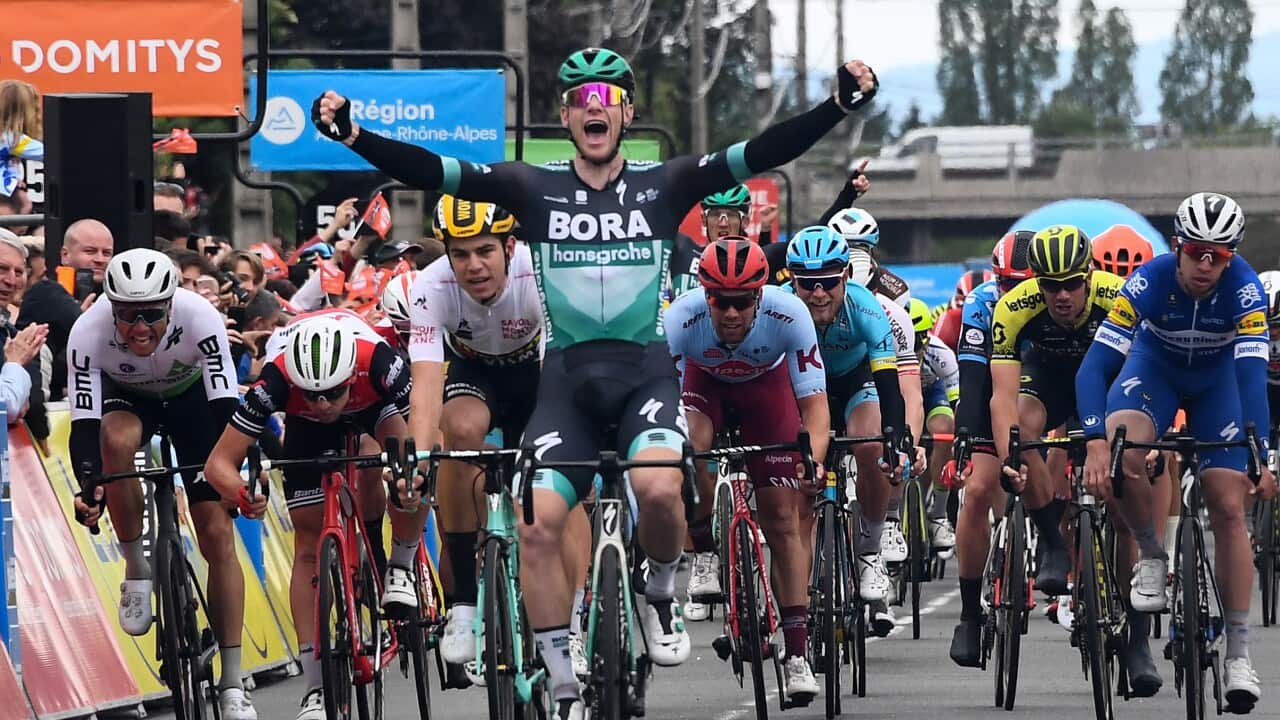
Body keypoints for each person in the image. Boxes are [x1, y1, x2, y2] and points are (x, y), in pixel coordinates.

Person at [314, 45, 880, 719]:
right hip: (567, 383)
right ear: (565, 115)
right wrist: (353, 134)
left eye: (607, 98)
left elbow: (759, 152)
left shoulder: (665, 184)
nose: (594, 108)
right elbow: (436, 170)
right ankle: (558, 671)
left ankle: (660, 593)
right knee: (537, 524)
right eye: (581, 99)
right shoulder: (532, 189)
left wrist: (838, 106)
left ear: (626, 113)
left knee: (661, 488)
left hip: (644, 374)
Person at [1077, 192, 1277, 710]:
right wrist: (1096, 439)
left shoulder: (1246, 289)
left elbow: (1253, 378)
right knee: (1125, 442)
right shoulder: (1147, 281)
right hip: (1156, 371)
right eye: (1196, 251)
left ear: (1232, 256)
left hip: (1219, 385)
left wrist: (1261, 453)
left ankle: (1238, 652)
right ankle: (1150, 554)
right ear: (1177, 246)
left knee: (1229, 507)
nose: (1206, 264)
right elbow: (1094, 368)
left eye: (1220, 255)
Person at [67, 249, 255, 719]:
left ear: (172, 303)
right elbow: (84, 427)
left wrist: (237, 475)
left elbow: (224, 410)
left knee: (216, 533)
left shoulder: (201, 317)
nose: (139, 327)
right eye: (127, 315)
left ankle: (232, 682)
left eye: (151, 314)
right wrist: (89, 487)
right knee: (115, 438)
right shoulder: (87, 333)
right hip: (128, 399)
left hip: (194, 402)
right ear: (110, 307)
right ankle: (137, 568)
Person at [203, 310, 416, 720]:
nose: (322, 404)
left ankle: (401, 564)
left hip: (373, 405)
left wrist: (410, 475)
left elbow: (426, 439)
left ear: (349, 376)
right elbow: (218, 465)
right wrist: (244, 493)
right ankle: (315, 688)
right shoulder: (278, 379)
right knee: (307, 543)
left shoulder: (379, 361)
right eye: (312, 394)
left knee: (411, 465)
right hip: (301, 428)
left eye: (331, 394)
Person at [402, 196, 563, 682]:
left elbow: (559, 371)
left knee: (560, 458)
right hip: (475, 374)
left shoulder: (539, 274)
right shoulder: (430, 287)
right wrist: (418, 457)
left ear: (510, 247)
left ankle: (572, 611)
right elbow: (427, 383)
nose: (473, 266)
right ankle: (465, 604)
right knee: (459, 432)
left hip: (538, 373)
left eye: (485, 251)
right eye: (461, 254)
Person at [665, 237, 829, 704]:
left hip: (766, 391)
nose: (731, 314)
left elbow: (814, 409)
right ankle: (704, 548)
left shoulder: (789, 314)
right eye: (720, 302)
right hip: (705, 386)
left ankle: (796, 653)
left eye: (741, 302)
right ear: (705, 296)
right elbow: (664, 408)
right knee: (690, 449)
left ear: (759, 295)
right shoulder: (681, 319)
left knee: (782, 518)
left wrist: (811, 461)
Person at [782, 225, 914, 635]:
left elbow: (890, 386)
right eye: (808, 283)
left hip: (857, 382)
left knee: (873, 444)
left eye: (828, 282)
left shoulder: (869, 310)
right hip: (803, 388)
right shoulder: (780, 309)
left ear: (845, 278)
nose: (819, 293)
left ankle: (870, 549)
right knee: (797, 468)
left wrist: (896, 439)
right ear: (792, 281)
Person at [948, 229, 1038, 666]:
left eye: (1023, 284)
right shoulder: (981, 302)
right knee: (980, 489)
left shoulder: (1056, 298)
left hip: (1040, 393)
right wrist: (966, 432)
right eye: (1006, 283)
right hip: (990, 393)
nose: (1013, 293)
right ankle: (968, 613)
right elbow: (972, 376)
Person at [908, 298, 959, 557]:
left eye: (916, 340)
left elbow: (957, 404)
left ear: (926, 338)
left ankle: (939, 513)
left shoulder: (942, 355)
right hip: (901, 395)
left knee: (945, 429)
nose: (909, 346)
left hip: (932, 394)